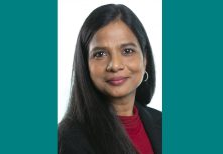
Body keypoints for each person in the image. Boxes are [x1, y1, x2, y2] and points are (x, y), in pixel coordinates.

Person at [58, 4, 161, 154]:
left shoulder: (162, 122)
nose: (115, 65)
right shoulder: (70, 139)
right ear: (85, 64)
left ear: (145, 59)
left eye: (127, 51)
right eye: (100, 54)